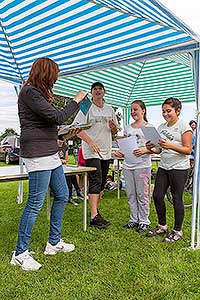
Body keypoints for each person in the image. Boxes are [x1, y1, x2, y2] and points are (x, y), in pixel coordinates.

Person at [10, 57, 87, 270]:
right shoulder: (29, 92)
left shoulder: (38, 94)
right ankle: (20, 252)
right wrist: (77, 100)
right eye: (54, 75)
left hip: (50, 151)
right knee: (35, 203)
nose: (55, 80)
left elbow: (49, 122)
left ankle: (53, 243)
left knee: (62, 194)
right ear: (45, 74)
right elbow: (57, 116)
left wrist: (63, 134)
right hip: (37, 153)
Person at [146, 97, 192, 242]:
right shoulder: (161, 127)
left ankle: (178, 231)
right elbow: (159, 150)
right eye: (163, 111)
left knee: (177, 198)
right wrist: (150, 148)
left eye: (168, 111)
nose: (165, 114)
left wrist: (170, 145)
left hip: (179, 168)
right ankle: (162, 226)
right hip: (164, 166)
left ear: (178, 111)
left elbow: (188, 149)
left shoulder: (185, 127)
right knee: (157, 195)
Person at [76, 82, 118, 228]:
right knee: (95, 179)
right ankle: (94, 216)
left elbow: (114, 132)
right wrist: (90, 142)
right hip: (91, 151)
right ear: (91, 92)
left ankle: (95, 212)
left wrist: (113, 129)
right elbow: (77, 129)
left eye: (100, 88)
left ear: (104, 92)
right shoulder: (86, 107)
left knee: (101, 183)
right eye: (95, 89)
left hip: (106, 150)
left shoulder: (110, 109)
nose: (98, 91)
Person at [115, 100, 152, 232]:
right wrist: (121, 152)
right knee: (130, 193)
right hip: (128, 165)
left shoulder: (148, 127)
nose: (133, 112)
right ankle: (133, 219)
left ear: (143, 111)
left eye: (135, 109)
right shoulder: (128, 127)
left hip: (143, 165)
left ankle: (144, 221)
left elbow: (157, 148)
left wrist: (146, 150)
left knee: (142, 194)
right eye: (131, 110)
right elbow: (125, 144)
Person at [57, 137, 84, 206]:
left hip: (63, 166)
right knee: (68, 176)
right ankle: (70, 196)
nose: (61, 142)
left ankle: (77, 192)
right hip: (56, 167)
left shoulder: (65, 147)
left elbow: (66, 160)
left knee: (72, 174)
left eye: (62, 140)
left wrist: (64, 161)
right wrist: (60, 161)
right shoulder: (53, 147)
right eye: (59, 140)